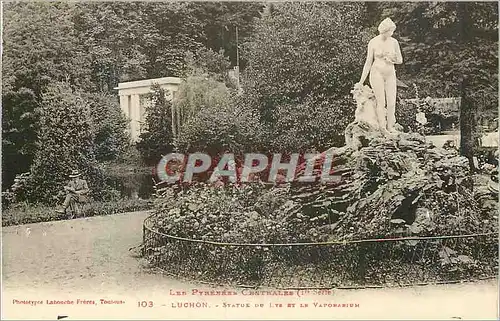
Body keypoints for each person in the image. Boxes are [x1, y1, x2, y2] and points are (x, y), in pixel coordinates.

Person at [357, 17, 403, 133]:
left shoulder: (394, 42)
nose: (391, 33)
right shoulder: (373, 42)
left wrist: (392, 59)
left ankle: (391, 126)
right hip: (376, 73)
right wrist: (361, 82)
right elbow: (368, 63)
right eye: (390, 31)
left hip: (390, 73)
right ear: (384, 30)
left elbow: (400, 60)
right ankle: (382, 127)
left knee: (391, 101)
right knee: (381, 101)